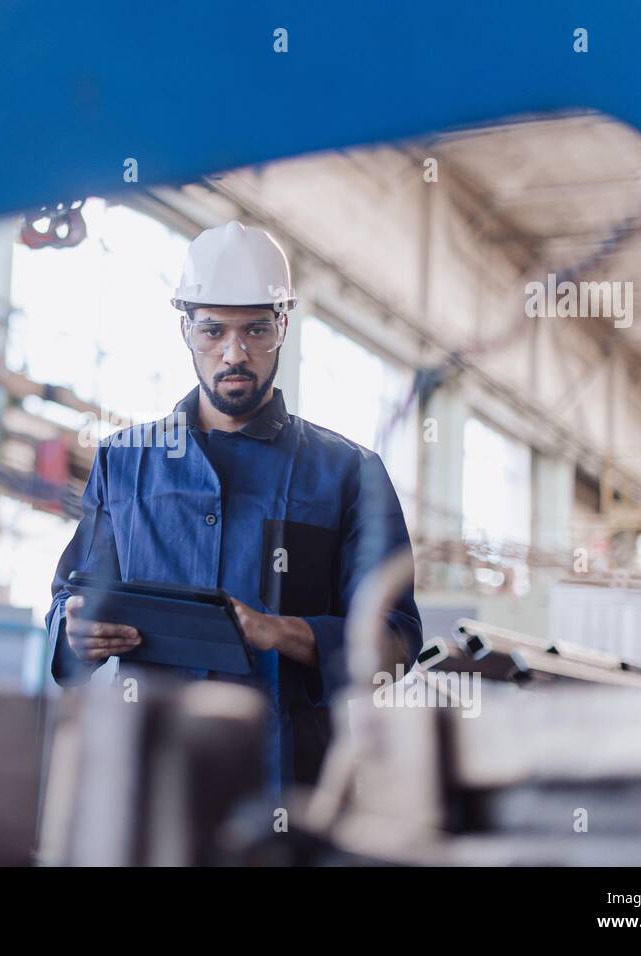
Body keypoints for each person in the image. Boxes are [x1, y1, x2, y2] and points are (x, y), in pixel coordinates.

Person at [45, 220, 422, 795]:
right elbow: (68, 604)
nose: (234, 353)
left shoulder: (348, 473)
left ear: (284, 327)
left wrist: (282, 632)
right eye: (213, 331)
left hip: (291, 791)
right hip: (150, 782)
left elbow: (396, 642)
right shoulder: (124, 462)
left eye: (256, 331)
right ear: (185, 329)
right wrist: (73, 634)